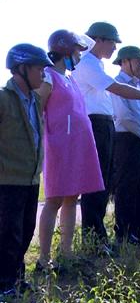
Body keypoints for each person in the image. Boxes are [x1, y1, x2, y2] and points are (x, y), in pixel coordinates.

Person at [72, 22, 140, 249]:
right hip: (99, 126)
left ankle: (131, 230)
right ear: (98, 40)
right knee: (104, 185)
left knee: (127, 185)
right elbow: (119, 98)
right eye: (111, 42)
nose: (113, 47)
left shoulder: (96, 65)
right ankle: (98, 238)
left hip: (107, 126)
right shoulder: (88, 65)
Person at [35, 30, 105, 269]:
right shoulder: (48, 76)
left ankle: (66, 251)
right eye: (76, 51)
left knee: (71, 198)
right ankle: (44, 258)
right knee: (54, 199)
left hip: (77, 146)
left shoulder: (70, 78)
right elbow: (38, 111)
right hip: (58, 146)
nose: (78, 55)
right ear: (65, 50)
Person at [0, 44, 53, 298]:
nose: (43, 74)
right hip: (7, 179)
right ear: (22, 68)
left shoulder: (35, 99)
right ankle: (3, 283)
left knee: (24, 231)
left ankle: (16, 277)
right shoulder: (3, 98)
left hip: (31, 179)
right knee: (7, 233)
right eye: (39, 68)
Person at [110, 46, 140, 245]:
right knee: (126, 187)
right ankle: (124, 231)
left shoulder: (137, 86)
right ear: (125, 62)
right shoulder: (117, 84)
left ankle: (139, 228)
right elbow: (124, 117)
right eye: (137, 61)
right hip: (127, 139)